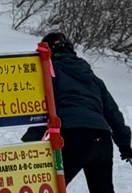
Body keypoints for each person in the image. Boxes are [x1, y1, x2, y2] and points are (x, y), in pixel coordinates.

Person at [21, 31, 132, 191]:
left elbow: (45, 111)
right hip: (102, 138)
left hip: (73, 135)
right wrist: (125, 146)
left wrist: (28, 144)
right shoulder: (92, 78)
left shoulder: (50, 74)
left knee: (50, 187)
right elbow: (113, 113)